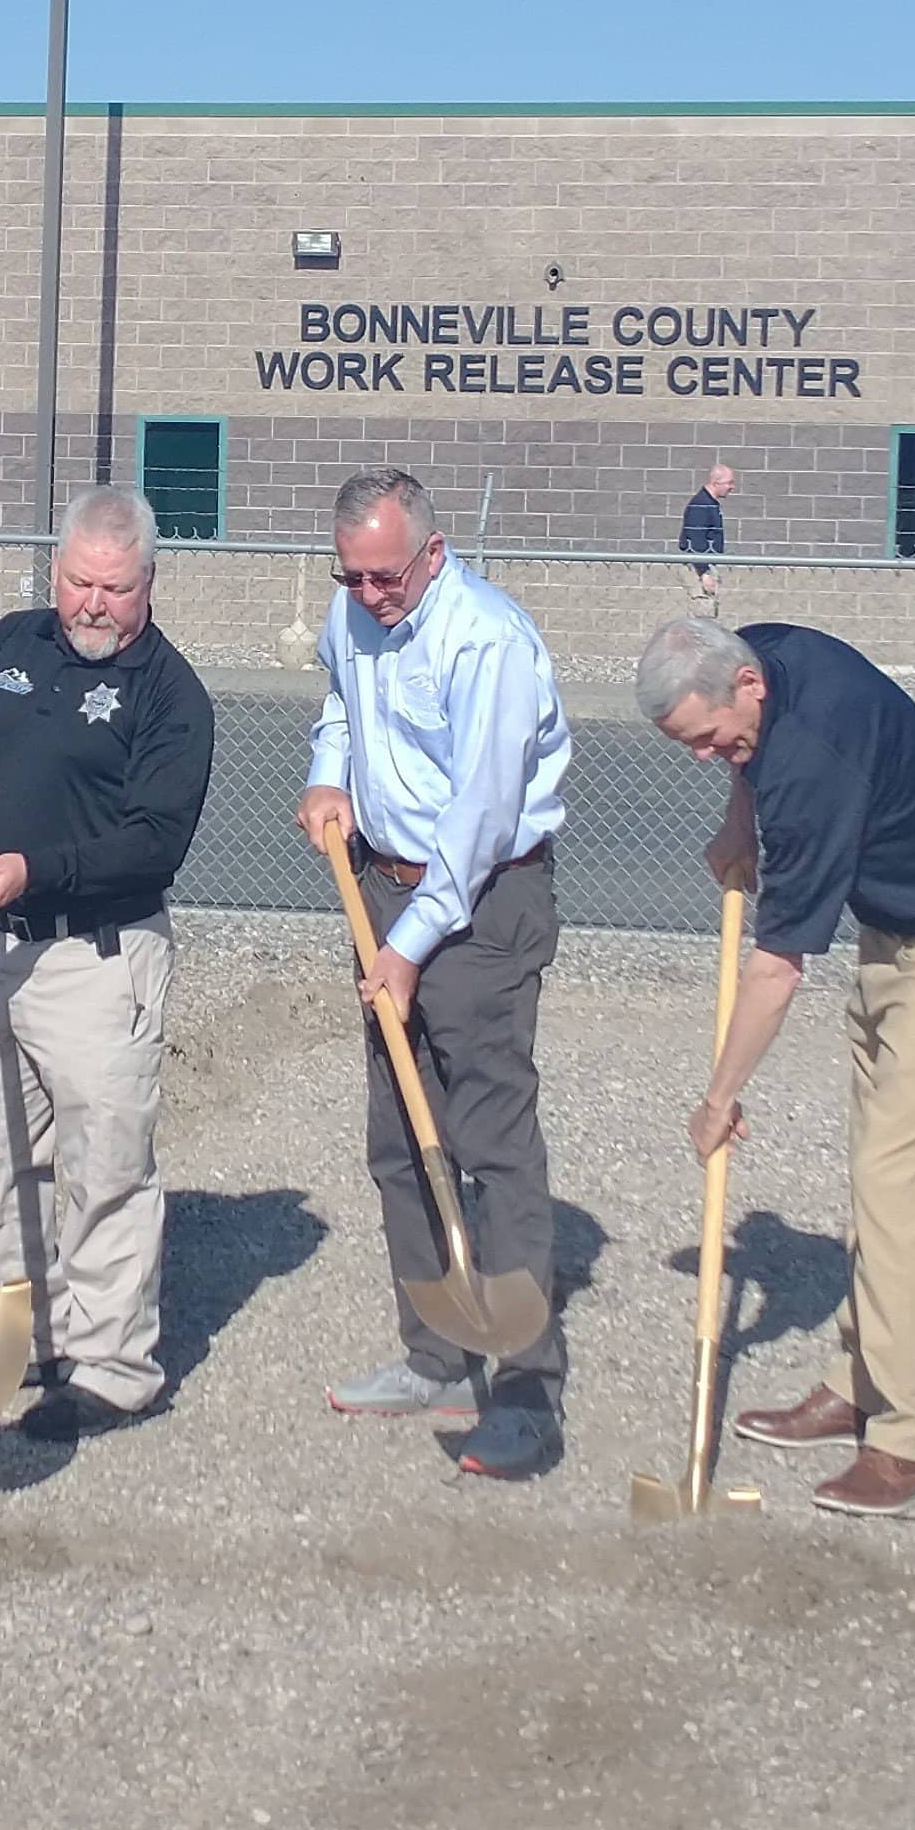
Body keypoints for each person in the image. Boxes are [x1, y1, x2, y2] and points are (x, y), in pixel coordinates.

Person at [638, 615, 915, 1519]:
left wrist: (719, 1098)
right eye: (688, 745)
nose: (706, 756)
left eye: (707, 739)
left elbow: (776, 970)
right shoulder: (756, 651)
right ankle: (858, 1379)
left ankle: (904, 1442)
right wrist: (739, 821)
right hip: (894, 936)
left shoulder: (813, 766)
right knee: (876, 1176)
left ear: (748, 691)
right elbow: (747, 758)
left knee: (896, 1184)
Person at [0, 487, 216, 1440]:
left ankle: (113, 1366)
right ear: (56, 570)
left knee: (103, 1164)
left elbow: (156, 843)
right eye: (79, 581)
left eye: (115, 587)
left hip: (100, 958)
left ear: (147, 582)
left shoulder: (170, 694)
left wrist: (39, 868)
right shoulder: (12, 647)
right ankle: (19, 1327)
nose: (93, 604)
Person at [299, 470, 575, 1480]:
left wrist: (407, 948)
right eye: (354, 575)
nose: (369, 595)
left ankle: (526, 1387)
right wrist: (329, 771)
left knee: (489, 1139)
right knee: (398, 1135)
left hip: (482, 904)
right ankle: (437, 1353)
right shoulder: (352, 607)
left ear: (434, 550)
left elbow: (479, 818)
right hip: (375, 883)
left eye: (386, 577)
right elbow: (341, 695)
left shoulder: (487, 639)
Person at [678, 461, 737, 600]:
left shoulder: (710, 504)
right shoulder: (700, 505)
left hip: (707, 565)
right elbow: (696, 539)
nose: (732, 487)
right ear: (716, 483)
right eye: (729, 482)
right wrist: (703, 573)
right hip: (698, 568)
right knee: (703, 611)